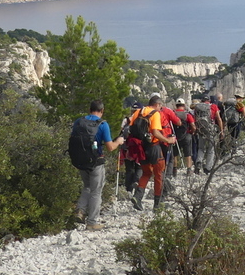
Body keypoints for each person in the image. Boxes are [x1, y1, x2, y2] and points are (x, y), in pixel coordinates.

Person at [72, 100, 124, 231]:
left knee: (87, 186)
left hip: (80, 161)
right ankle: (92, 222)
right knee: (96, 191)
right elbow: (110, 147)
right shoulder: (102, 124)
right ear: (102, 111)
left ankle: (80, 210)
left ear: (90, 110)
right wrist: (118, 141)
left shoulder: (79, 121)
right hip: (96, 162)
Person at [125, 95, 177, 209]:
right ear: (157, 104)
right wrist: (168, 140)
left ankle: (137, 197)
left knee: (146, 173)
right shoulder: (155, 114)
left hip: (140, 148)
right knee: (159, 174)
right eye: (160, 106)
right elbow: (155, 132)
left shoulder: (138, 112)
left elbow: (130, 129)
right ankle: (157, 204)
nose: (161, 108)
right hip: (153, 147)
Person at [171, 99, 195, 175]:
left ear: (176, 106)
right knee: (188, 153)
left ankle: (174, 170)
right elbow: (193, 126)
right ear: (184, 105)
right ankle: (189, 170)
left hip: (175, 136)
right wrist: (192, 132)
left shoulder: (173, 114)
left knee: (175, 154)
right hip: (186, 136)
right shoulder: (187, 115)